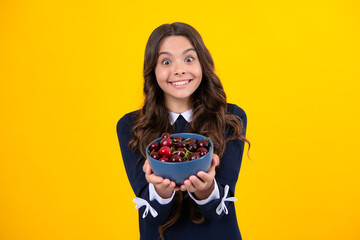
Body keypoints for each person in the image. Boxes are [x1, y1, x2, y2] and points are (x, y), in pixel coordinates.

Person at [116, 22, 250, 240]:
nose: (179, 69)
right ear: (153, 70)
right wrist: (161, 192)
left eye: (189, 59)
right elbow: (150, 214)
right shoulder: (131, 127)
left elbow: (221, 208)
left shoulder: (230, 119)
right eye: (166, 61)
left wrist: (206, 190)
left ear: (202, 65)